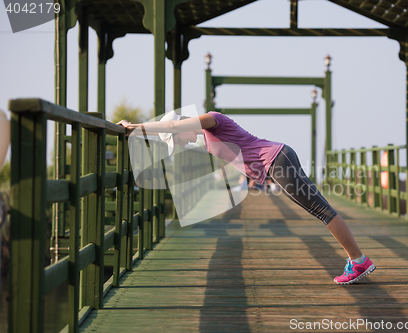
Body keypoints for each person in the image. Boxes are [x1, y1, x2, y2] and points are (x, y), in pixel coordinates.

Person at [117, 110, 376, 285]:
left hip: (277, 160)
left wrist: (135, 128)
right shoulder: (206, 139)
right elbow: (180, 133)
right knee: (320, 210)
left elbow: (173, 125)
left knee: (322, 211)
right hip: (277, 162)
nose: (182, 145)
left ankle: (359, 261)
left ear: (184, 126)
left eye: (178, 141)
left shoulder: (211, 119)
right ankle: (357, 260)